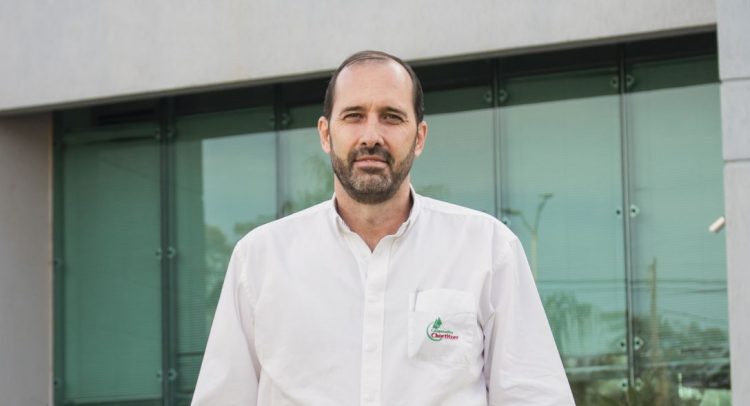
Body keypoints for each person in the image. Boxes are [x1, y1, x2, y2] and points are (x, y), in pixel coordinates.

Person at [192, 50, 575, 405]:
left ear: (419, 137)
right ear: (325, 134)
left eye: (391, 117)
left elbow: (535, 396)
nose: (371, 136)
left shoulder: (487, 249)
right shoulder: (260, 260)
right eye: (353, 116)